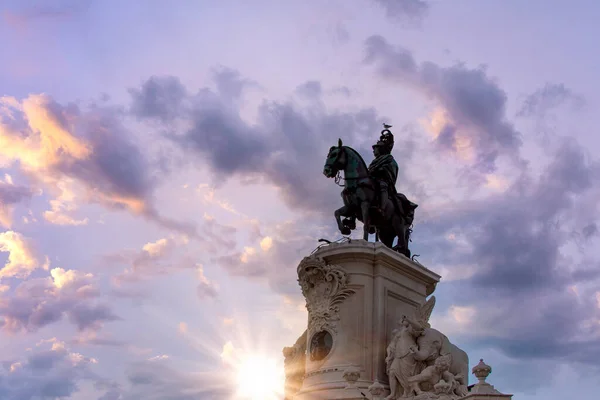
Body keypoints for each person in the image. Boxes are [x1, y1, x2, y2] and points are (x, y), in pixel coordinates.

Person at [369, 126, 401, 216]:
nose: (373, 151)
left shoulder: (388, 158)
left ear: (381, 149)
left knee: (382, 185)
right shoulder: (374, 162)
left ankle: (382, 209)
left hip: (383, 180)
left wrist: (381, 170)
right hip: (373, 179)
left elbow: (392, 168)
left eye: (375, 149)